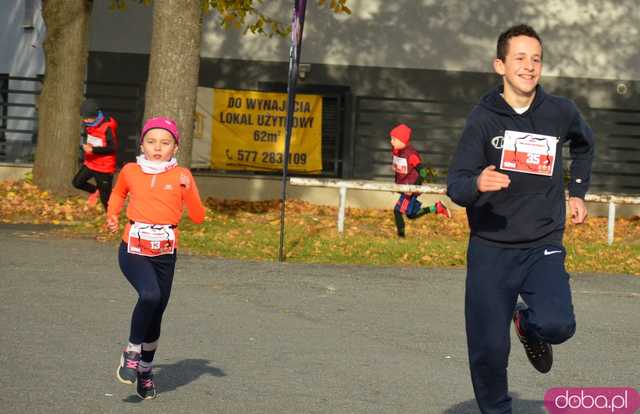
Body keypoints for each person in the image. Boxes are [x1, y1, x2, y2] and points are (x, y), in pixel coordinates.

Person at [446, 24, 594, 414]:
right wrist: (479, 180)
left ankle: (527, 324)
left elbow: (584, 144)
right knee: (489, 350)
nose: (529, 67)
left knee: (559, 325)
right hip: (490, 249)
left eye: (536, 59)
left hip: (541, 242)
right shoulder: (482, 119)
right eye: (520, 58)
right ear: (500, 65)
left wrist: (577, 191)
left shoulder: (560, 111)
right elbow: (456, 184)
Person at [107, 117, 205, 400]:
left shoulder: (182, 175)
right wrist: (112, 215)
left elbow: (198, 217)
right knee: (149, 295)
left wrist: (188, 188)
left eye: (165, 143)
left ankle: (146, 372)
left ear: (175, 147)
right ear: (142, 145)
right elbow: (117, 193)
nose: (157, 148)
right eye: (151, 142)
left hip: (164, 253)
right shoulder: (130, 170)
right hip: (133, 249)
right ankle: (131, 352)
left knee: (156, 311)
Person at [390, 123, 451, 237]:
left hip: (411, 187)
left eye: (394, 139)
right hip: (404, 187)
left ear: (402, 140)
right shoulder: (397, 152)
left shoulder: (411, 154)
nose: (391, 142)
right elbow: (400, 170)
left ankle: (401, 237)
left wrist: (414, 188)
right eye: (391, 139)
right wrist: (396, 185)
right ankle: (436, 207)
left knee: (397, 211)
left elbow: (423, 171)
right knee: (411, 215)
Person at [72, 99, 118, 209]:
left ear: (96, 115)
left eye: (88, 118)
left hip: (104, 167)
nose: (86, 120)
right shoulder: (90, 124)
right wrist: (86, 147)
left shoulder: (107, 128)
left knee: (105, 200)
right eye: (84, 118)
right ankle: (95, 190)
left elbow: (113, 148)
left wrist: (93, 150)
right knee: (77, 182)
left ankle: (111, 221)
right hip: (91, 162)